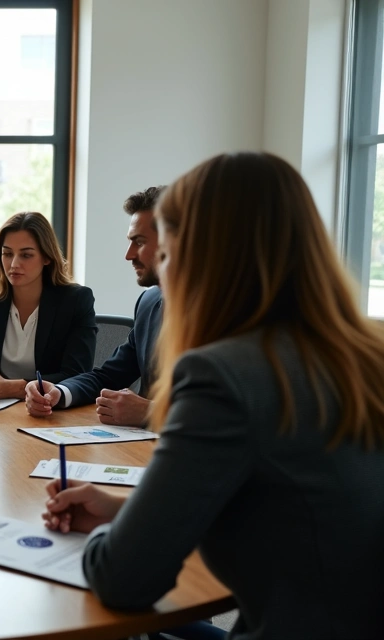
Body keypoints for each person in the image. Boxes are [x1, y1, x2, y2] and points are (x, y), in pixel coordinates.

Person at [42, 152, 384, 639]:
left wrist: (107, 537)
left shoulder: (224, 375)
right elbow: (280, 506)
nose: (160, 257)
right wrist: (125, 513)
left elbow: (125, 580)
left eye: (169, 240)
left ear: (203, 248)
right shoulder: (364, 352)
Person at [25, 187, 166, 425]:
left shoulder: (226, 313)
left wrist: (152, 412)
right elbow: (109, 376)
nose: (128, 255)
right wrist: (60, 392)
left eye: (139, 242)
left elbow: (237, 414)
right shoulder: (149, 303)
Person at [0, 211, 95, 402]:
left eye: (26, 255)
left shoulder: (75, 300)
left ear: (47, 257)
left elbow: (76, 376)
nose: (14, 264)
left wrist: (9, 388)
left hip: (49, 412)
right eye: (7, 254)